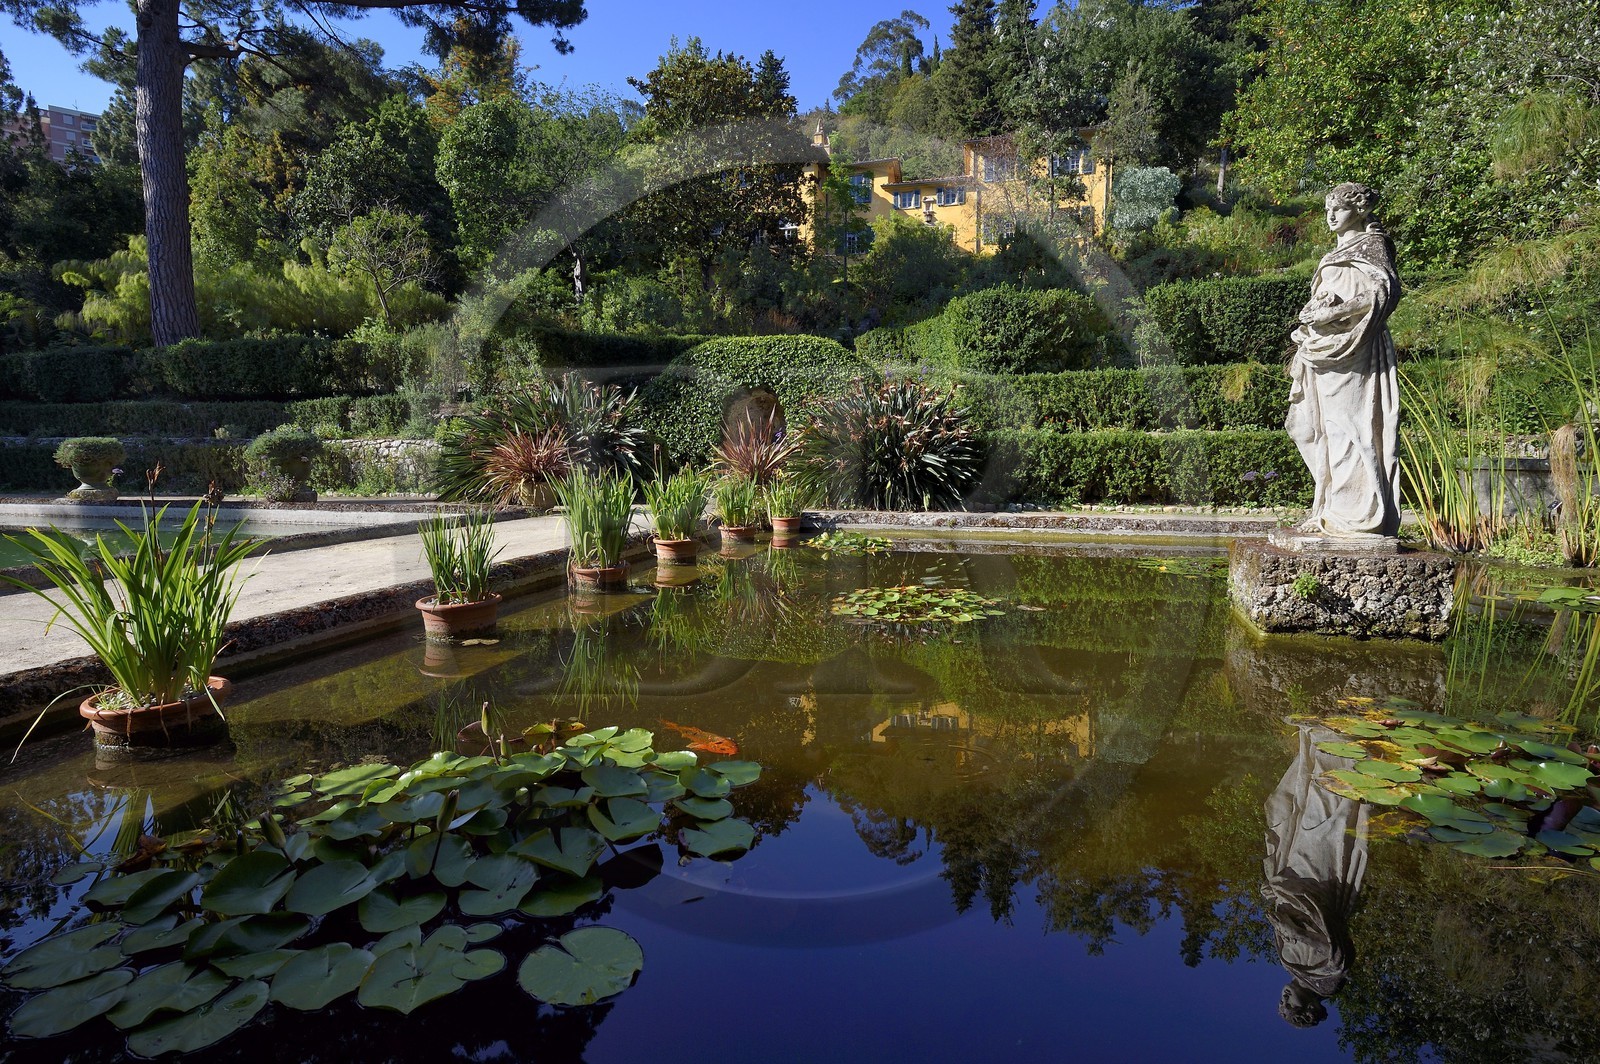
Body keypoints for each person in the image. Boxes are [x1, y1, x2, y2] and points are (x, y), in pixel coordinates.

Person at [1287, 182, 1402, 538]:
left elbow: (1382, 294)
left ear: (1361, 210)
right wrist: (1310, 326)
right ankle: (1329, 506)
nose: (1331, 216)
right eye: (1327, 210)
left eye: (1338, 209)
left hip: (1354, 349)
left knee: (1347, 431)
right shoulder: (1336, 252)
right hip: (1322, 351)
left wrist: (1327, 317)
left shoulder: (1371, 247)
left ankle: (1352, 517)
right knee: (1306, 427)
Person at [1262, 723, 1370, 1029]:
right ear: (1308, 1008)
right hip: (1318, 880)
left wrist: (1273, 894)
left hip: (1289, 875)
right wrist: (1299, 935)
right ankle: (1338, 740)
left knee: (1283, 808)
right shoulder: (1329, 977)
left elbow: (1283, 918)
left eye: (1280, 1004)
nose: (1283, 1000)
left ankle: (1314, 740)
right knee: (1322, 811)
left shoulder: (1290, 965)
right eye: (1289, 1007)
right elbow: (1338, 952)